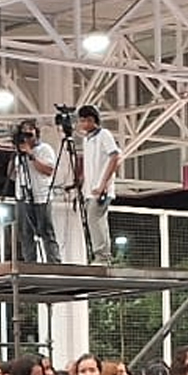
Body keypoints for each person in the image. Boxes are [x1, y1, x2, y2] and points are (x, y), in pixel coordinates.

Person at [12, 119, 61, 263]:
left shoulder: (45, 149)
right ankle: (30, 263)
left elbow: (48, 170)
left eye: (30, 134)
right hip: (23, 196)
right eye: (24, 135)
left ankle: (54, 262)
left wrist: (31, 155)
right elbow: (13, 175)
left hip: (41, 196)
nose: (27, 138)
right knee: (26, 233)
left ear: (36, 134)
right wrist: (16, 153)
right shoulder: (19, 154)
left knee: (46, 231)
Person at [76, 105, 121, 264]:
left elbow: (115, 157)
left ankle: (102, 256)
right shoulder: (87, 139)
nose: (81, 124)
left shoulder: (104, 135)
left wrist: (103, 184)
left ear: (91, 120)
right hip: (90, 189)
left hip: (101, 189)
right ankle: (101, 255)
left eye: (83, 121)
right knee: (95, 221)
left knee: (95, 220)